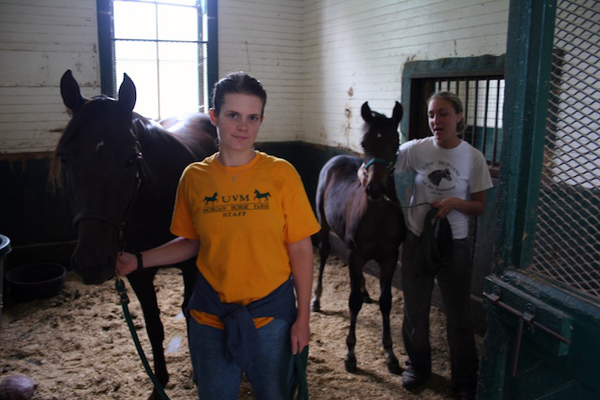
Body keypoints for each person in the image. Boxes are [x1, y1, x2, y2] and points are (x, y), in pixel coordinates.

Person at [117, 71, 320, 400]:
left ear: (261, 120)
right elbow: (191, 242)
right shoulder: (194, 177)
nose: (243, 126)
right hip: (209, 315)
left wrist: (303, 319)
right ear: (214, 117)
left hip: (271, 315)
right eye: (233, 115)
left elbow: (300, 247)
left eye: (252, 117)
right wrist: (137, 261)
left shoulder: (282, 174)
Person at [360, 91, 492, 400]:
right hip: (418, 239)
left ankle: (464, 378)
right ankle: (417, 366)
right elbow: (381, 157)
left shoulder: (472, 157)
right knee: (414, 310)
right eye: (432, 115)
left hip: (454, 244)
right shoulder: (416, 150)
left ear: (459, 117)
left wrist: (457, 203)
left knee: (459, 315)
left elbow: (480, 206)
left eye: (443, 114)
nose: (436, 121)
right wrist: (362, 171)